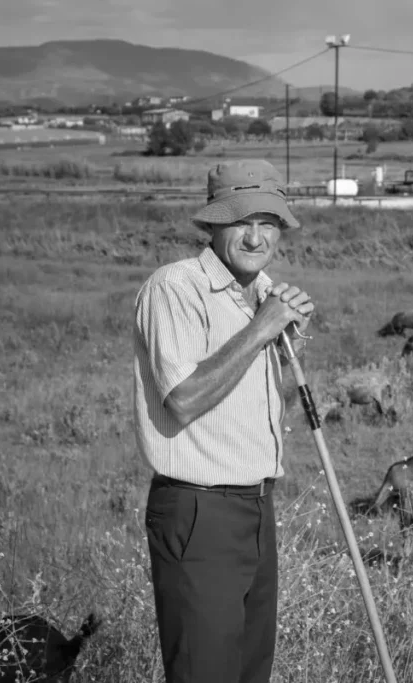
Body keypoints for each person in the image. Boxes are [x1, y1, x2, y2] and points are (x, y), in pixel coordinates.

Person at [133, 159, 314, 683]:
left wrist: (287, 337)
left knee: (248, 671)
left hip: (257, 506)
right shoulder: (175, 287)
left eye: (270, 222)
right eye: (242, 221)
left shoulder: (262, 292)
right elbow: (185, 399)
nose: (256, 237)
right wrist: (263, 329)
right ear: (212, 224)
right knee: (205, 673)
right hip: (198, 509)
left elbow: (248, 390)